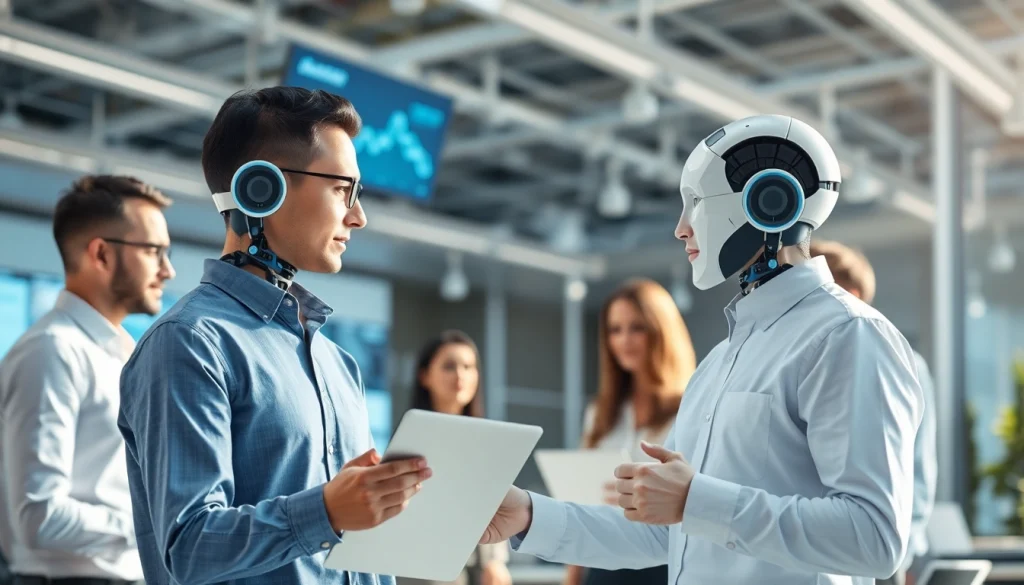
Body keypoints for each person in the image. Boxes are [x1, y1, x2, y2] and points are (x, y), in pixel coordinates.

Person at [480, 114, 924, 585]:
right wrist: (528, 515)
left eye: (695, 203)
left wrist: (699, 501)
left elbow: (875, 539)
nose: (681, 228)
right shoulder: (719, 363)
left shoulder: (847, 336)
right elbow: (658, 534)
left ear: (767, 202)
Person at [117, 87, 431, 585]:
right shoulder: (190, 344)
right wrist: (325, 511)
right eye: (341, 190)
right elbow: (189, 547)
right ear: (262, 187)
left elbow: (360, 547)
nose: (358, 216)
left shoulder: (337, 363)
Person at [0, 175, 175, 585]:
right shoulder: (52, 351)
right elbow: (38, 517)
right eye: (154, 251)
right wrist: (155, 524)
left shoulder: (119, 355)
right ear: (101, 254)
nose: (167, 270)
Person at [810, 239, 938, 585]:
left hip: (879, 556)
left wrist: (901, 555)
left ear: (849, 291)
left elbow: (918, 473)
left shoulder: (902, 363)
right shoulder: (811, 361)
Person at [563, 278, 696, 585]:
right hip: (602, 558)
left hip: (663, 562)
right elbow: (581, 500)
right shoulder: (600, 413)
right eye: (615, 329)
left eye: (637, 327)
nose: (624, 340)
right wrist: (572, 574)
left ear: (660, 332)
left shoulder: (691, 408)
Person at [400, 330, 511, 585]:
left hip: (478, 568)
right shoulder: (411, 440)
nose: (461, 375)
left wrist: (496, 561)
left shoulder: (486, 442)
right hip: (421, 569)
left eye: (469, 366)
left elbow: (494, 503)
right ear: (425, 376)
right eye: (449, 366)